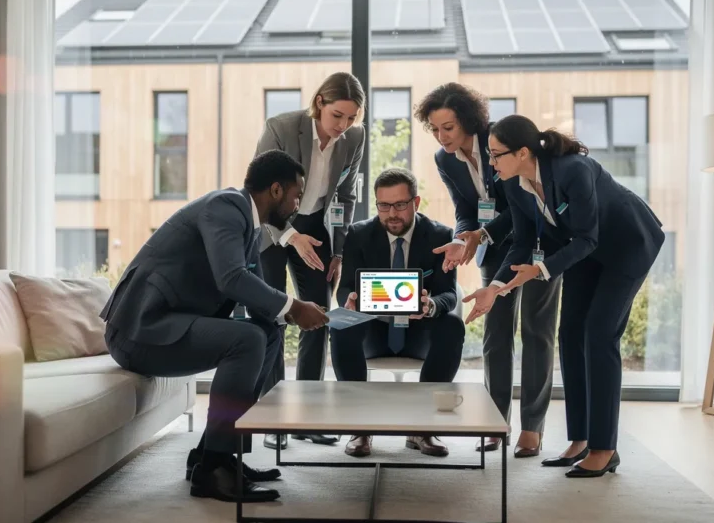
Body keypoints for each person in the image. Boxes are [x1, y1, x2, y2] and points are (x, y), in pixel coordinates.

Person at [99, 150, 330, 502]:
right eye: (297, 194)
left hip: (165, 324)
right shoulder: (226, 207)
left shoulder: (249, 226)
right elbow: (231, 279)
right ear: (277, 190)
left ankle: (213, 456)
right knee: (249, 339)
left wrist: (292, 316)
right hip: (137, 333)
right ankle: (214, 469)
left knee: (267, 334)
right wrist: (294, 305)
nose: (299, 203)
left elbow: (252, 294)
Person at [462, 115, 664, 478]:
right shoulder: (514, 183)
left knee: (600, 336)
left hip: (626, 246)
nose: (491, 164)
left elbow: (588, 235)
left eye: (496, 156)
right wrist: (495, 287)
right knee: (570, 335)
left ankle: (605, 448)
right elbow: (523, 242)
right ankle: (580, 439)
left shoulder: (574, 170)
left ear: (522, 152)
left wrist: (540, 270)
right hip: (585, 253)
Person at [415, 83, 561, 457]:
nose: (441, 135)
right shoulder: (444, 159)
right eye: (434, 128)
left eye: (447, 127)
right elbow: (465, 204)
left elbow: (522, 204)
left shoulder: (500, 141)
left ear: (467, 120)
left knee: (536, 330)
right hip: (492, 247)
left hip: (535, 241)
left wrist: (481, 233)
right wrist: (465, 236)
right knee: (496, 334)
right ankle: (497, 423)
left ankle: (532, 427)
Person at [254, 71, 367, 450]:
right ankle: (275, 420)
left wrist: (338, 251)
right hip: (273, 227)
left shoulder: (353, 138)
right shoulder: (282, 128)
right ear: (319, 102)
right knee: (275, 315)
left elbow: (347, 195)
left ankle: (306, 417)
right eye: (338, 116)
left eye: (351, 118)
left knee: (317, 314)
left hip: (316, 225)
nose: (343, 125)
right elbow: (256, 194)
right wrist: (290, 235)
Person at [330, 168, 466, 458]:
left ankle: (422, 428)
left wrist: (431, 306)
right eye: (384, 205)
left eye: (400, 205)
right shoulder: (358, 234)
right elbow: (345, 288)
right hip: (374, 330)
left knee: (452, 326)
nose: (392, 214)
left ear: (415, 203)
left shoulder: (440, 235)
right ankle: (359, 428)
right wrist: (350, 301)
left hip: (419, 332)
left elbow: (449, 293)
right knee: (340, 324)